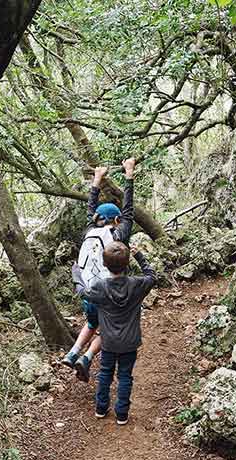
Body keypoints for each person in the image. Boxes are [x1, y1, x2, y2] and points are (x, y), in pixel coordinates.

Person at [60, 158, 136, 382]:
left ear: (96, 219)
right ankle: (87, 357)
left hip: (86, 292)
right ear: (116, 219)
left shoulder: (89, 231)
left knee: (93, 322)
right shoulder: (117, 235)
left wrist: (97, 180)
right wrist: (129, 173)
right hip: (109, 293)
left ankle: (73, 352)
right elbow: (129, 209)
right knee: (110, 328)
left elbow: (90, 209)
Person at [72, 241, 156, 425]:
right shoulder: (137, 284)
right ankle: (122, 414)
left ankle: (101, 408)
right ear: (126, 265)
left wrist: (76, 273)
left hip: (108, 342)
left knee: (105, 373)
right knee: (125, 376)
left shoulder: (101, 287)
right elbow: (151, 276)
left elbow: (82, 292)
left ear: (104, 264)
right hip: (130, 342)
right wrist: (139, 256)